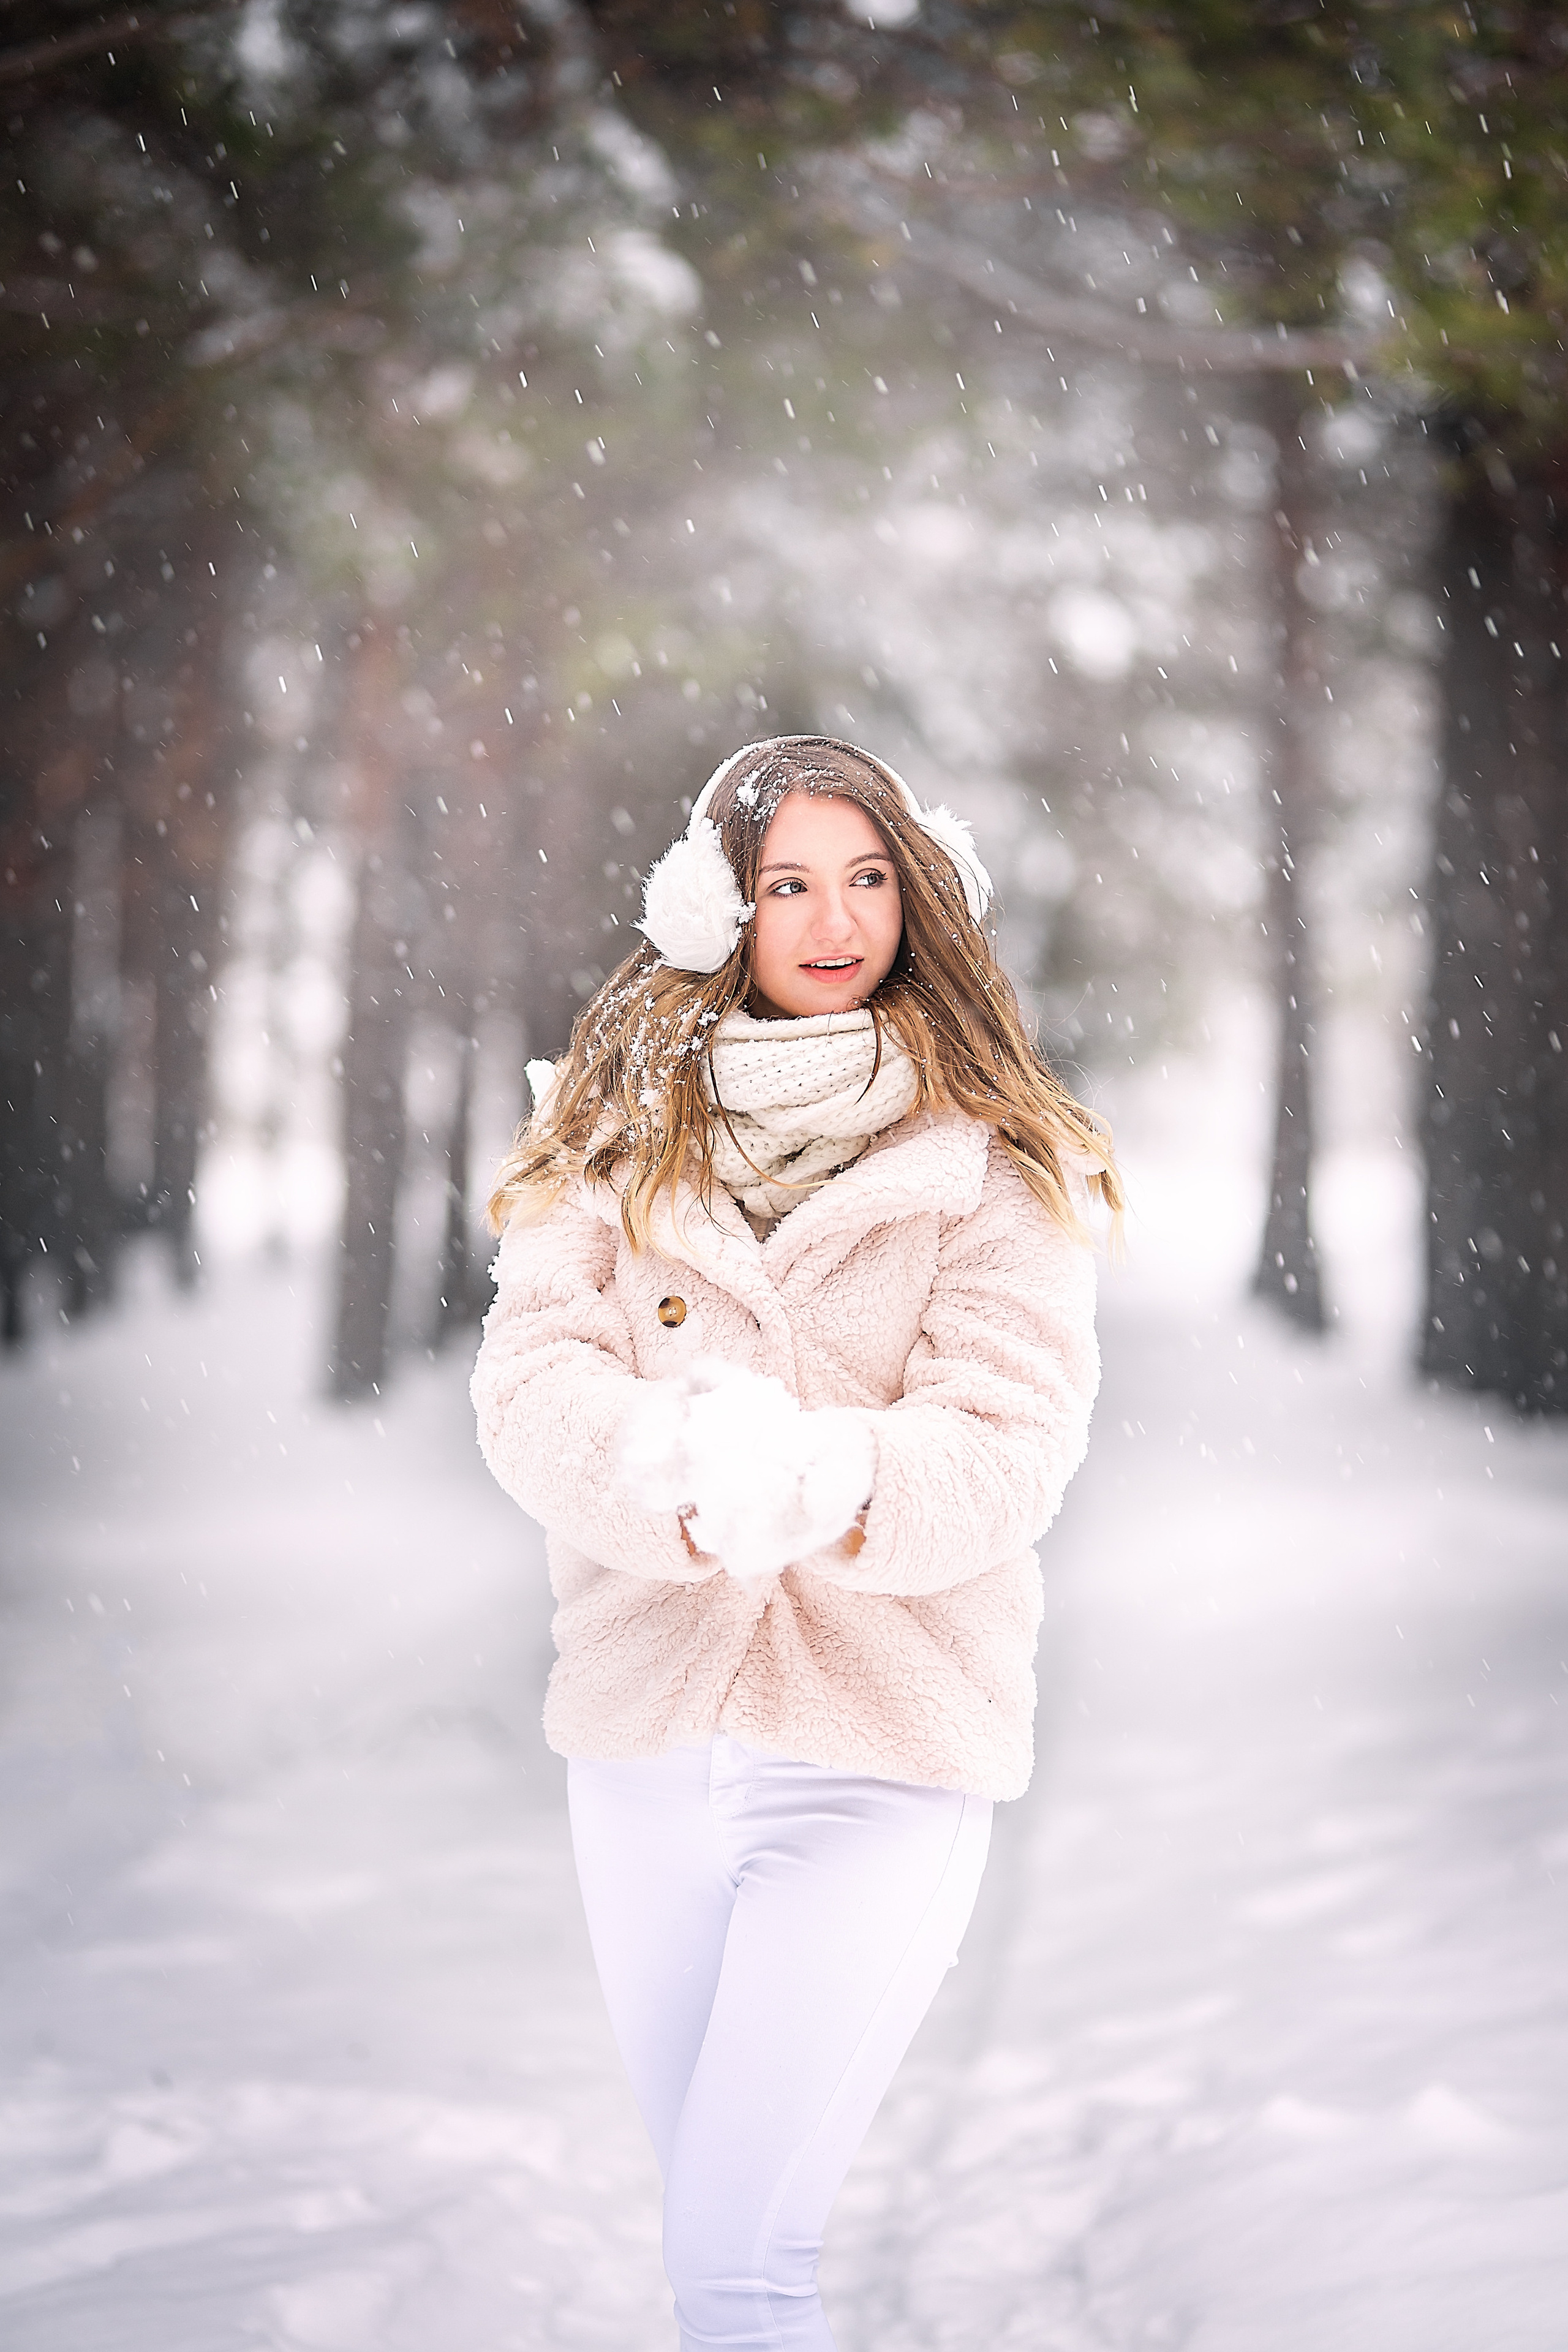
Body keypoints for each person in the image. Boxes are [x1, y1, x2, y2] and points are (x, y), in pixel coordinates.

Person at [472, 734, 1121, 2350]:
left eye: (869, 877)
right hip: (643, 1752)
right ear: (719, 910)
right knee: (710, 2238)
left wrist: (826, 1479)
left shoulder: (994, 1167)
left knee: (741, 2257)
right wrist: (675, 1476)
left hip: (880, 1749)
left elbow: (1008, 1441)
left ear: (922, 892)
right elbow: (533, 1386)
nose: (835, 918)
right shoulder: (617, 1142)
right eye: (788, 884)